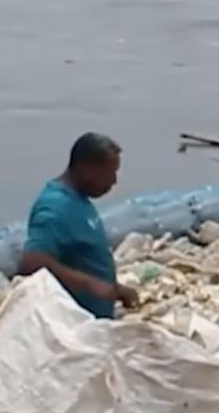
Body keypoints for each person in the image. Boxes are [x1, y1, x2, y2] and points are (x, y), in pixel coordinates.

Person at [18, 132, 139, 318]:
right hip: (72, 326)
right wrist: (90, 285)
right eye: (110, 173)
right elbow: (32, 263)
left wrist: (117, 290)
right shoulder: (55, 208)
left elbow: (83, 259)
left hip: (93, 324)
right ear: (86, 169)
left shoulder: (79, 200)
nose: (114, 181)